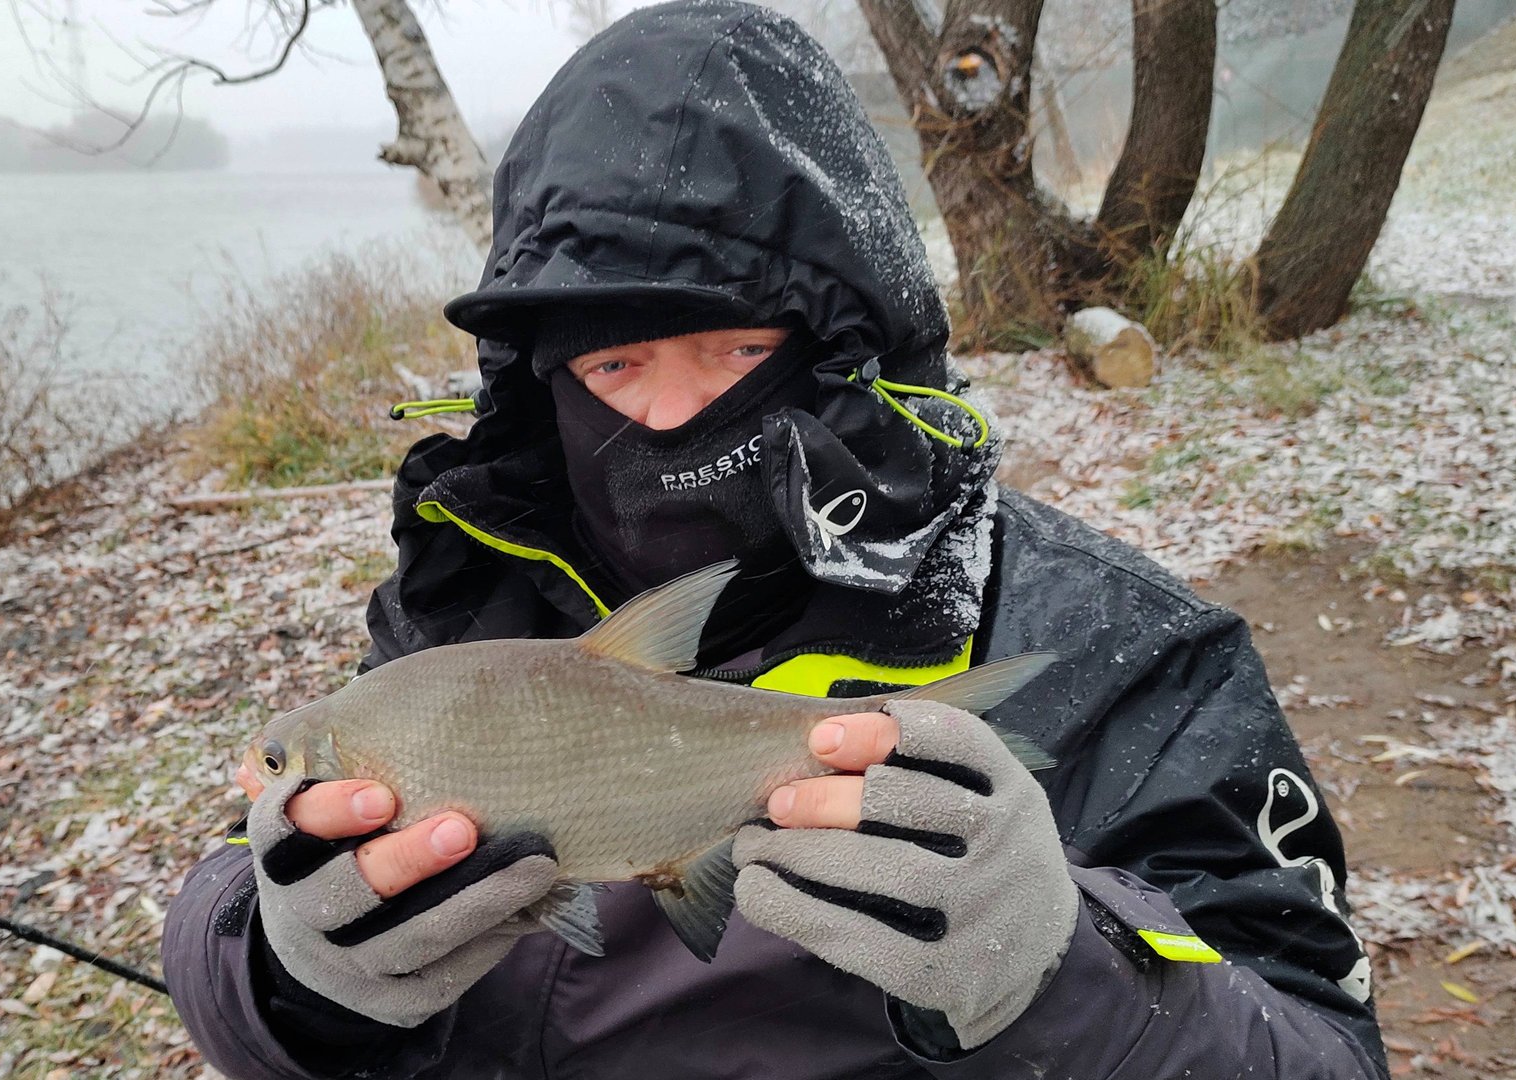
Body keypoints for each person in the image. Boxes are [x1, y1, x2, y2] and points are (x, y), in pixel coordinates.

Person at [161, 2, 1388, 1077]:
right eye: (612, 361)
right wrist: (285, 980)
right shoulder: (470, 601)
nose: (666, 415)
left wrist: (1071, 973)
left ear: (858, 348)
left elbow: (1320, 1046)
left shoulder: (1127, 654)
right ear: (544, 379)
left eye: (737, 351)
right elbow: (235, 906)